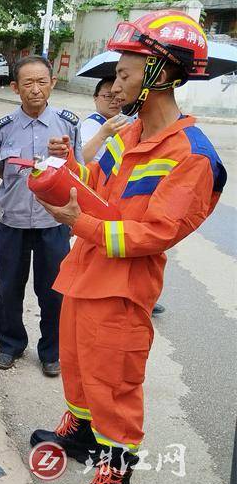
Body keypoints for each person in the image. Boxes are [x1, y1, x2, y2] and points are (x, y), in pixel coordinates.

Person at [31, 10, 226, 484]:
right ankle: (78, 433)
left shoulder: (193, 156)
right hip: (85, 273)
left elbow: (154, 234)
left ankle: (115, 481)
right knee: (76, 365)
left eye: (124, 74)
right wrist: (67, 168)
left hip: (122, 289)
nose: (114, 86)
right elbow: (94, 187)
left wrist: (80, 223)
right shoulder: (126, 135)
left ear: (160, 74)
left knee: (114, 386)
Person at [0, 55, 81, 377]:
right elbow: (0, 169)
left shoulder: (68, 126)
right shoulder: (3, 129)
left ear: (52, 83)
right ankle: (10, 345)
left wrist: (63, 160)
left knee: (53, 290)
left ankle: (51, 351)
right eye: (28, 83)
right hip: (12, 221)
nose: (36, 89)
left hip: (53, 223)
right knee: (9, 287)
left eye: (42, 82)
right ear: (15, 87)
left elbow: (80, 173)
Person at [80, 79, 166, 316]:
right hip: (97, 204)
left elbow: (158, 232)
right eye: (107, 96)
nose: (115, 96)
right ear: (96, 98)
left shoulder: (135, 127)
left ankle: (136, 295)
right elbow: (83, 165)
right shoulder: (94, 125)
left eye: (123, 80)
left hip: (121, 215)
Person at [79, 77, 130, 164]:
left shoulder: (123, 121)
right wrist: (102, 135)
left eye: (118, 97)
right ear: (95, 97)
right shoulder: (91, 124)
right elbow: (80, 159)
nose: (114, 101)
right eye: (108, 96)